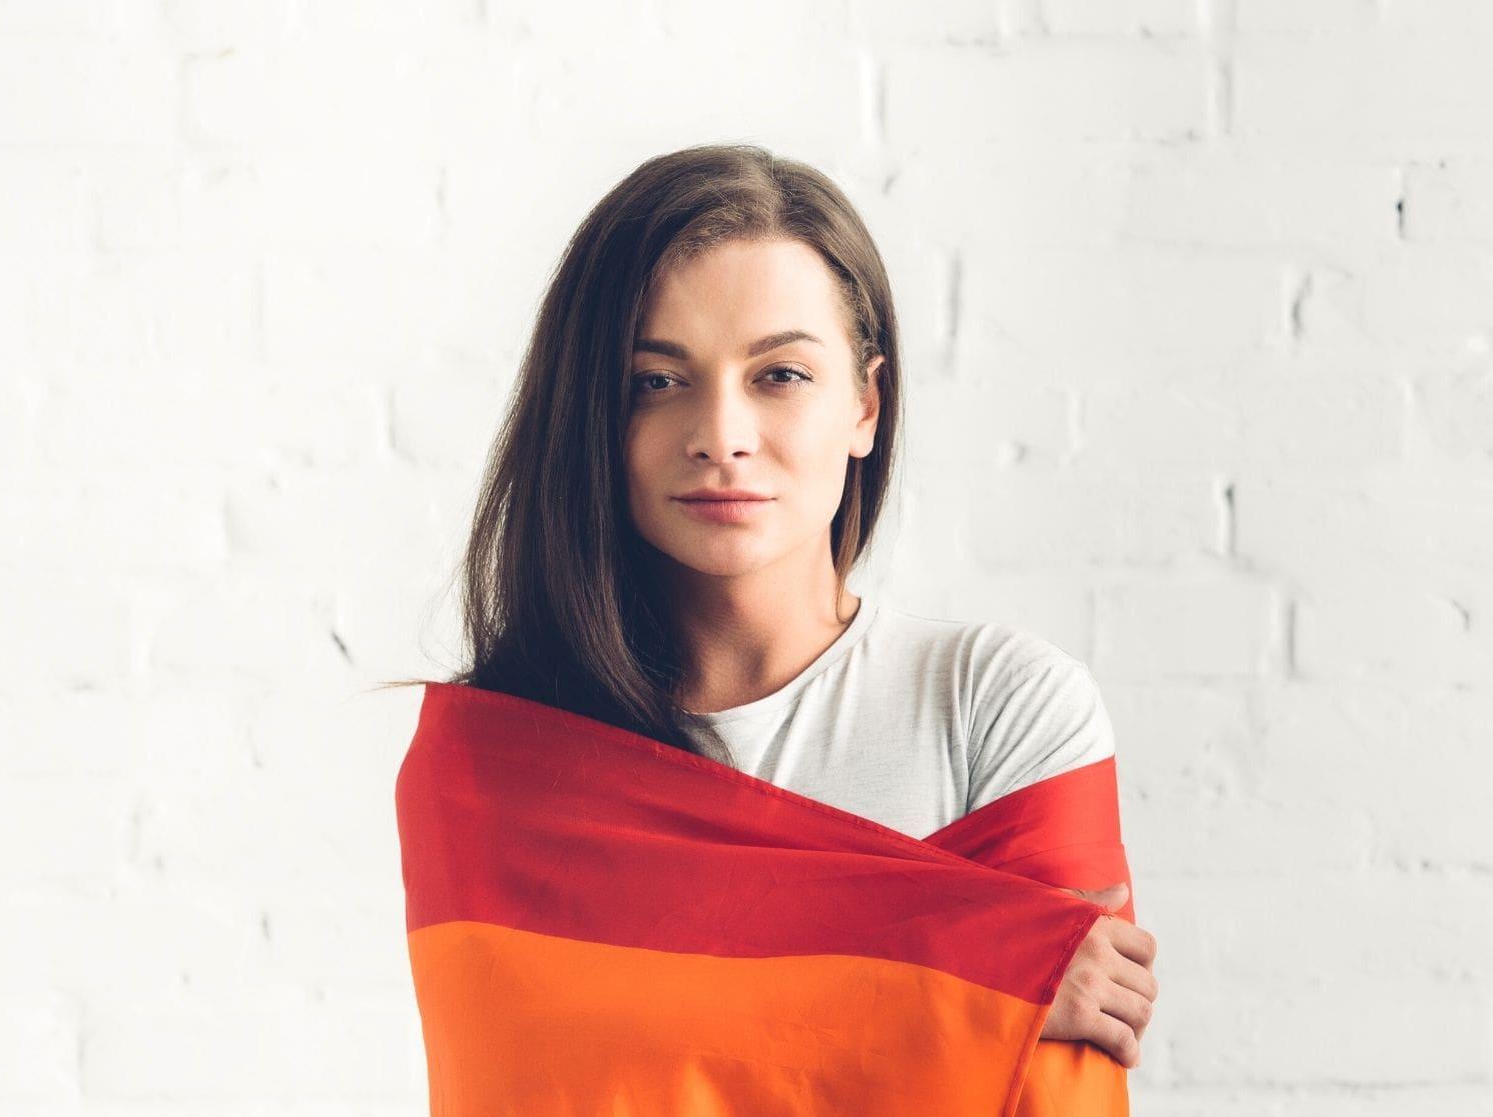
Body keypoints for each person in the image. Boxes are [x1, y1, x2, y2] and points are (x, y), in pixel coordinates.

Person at [420, 142, 1158, 1067]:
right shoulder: (491, 757)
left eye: (781, 375)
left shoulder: (1000, 708)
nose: (721, 436)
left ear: (865, 407)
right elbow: (551, 1094)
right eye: (656, 382)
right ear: (591, 417)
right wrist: (971, 971)